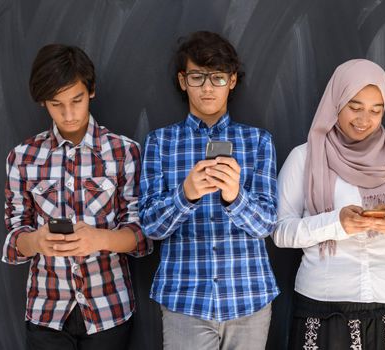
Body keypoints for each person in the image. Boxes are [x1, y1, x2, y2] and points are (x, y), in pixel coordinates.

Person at [1, 44, 152, 350]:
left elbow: (142, 236)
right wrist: (36, 241)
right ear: (43, 102)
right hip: (46, 311)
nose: (68, 114)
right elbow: (14, 237)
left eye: (77, 100)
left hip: (109, 309)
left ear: (91, 91)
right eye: (57, 104)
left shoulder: (124, 152)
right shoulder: (22, 157)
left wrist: (101, 240)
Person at [273, 59, 385, 349]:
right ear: (337, 103)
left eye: (375, 110)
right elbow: (280, 232)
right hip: (326, 304)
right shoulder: (304, 158)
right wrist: (336, 224)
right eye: (354, 107)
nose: (364, 119)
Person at [139, 31, 279, 350]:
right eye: (197, 77)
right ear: (182, 80)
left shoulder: (258, 142)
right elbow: (149, 226)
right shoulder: (161, 143)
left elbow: (267, 224)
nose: (206, 87)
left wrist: (235, 197)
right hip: (184, 298)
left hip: (249, 297)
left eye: (216, 78)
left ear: (231, 81)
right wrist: (185, 195)